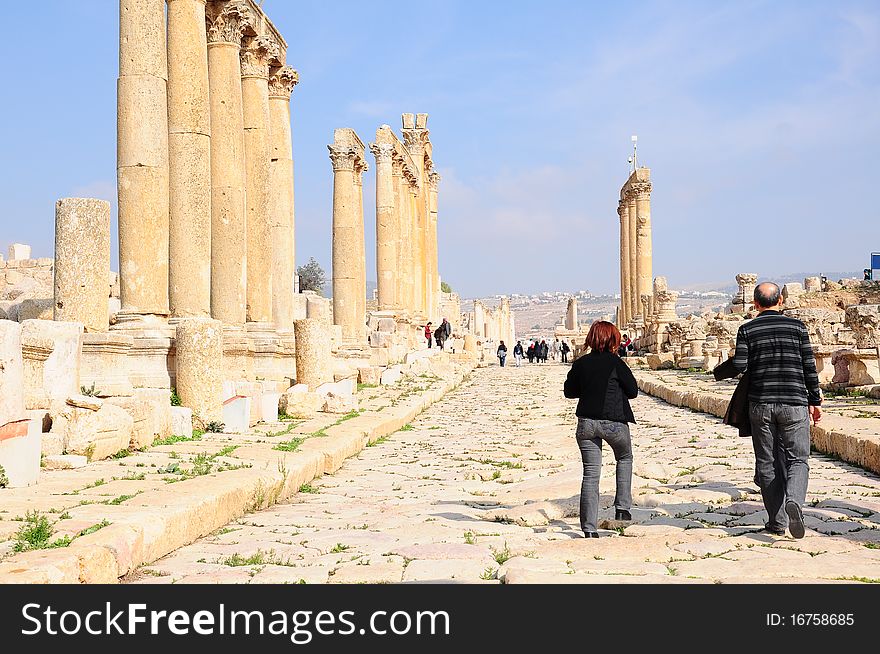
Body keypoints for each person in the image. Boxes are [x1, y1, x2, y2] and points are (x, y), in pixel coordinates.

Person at [729, 282, 821, 539]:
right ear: (781, 300)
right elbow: (808, 366)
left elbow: (740, 364)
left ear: (755, 304)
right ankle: (794, 501)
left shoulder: (747, 330)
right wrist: (815, 400)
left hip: (761, 403)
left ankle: (776, 521)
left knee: (767, 461)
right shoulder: (797, 327)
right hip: (794, 402)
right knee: (798, 459)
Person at [564, 321, 638, 538]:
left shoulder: (581, 363)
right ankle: (623, 508)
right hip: (614, 421)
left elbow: (569, 391)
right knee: (624, 458)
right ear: (614, 339)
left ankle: (589, 529)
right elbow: (633, 391)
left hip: (586, 423)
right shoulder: (616, 363)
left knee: (590, 475)